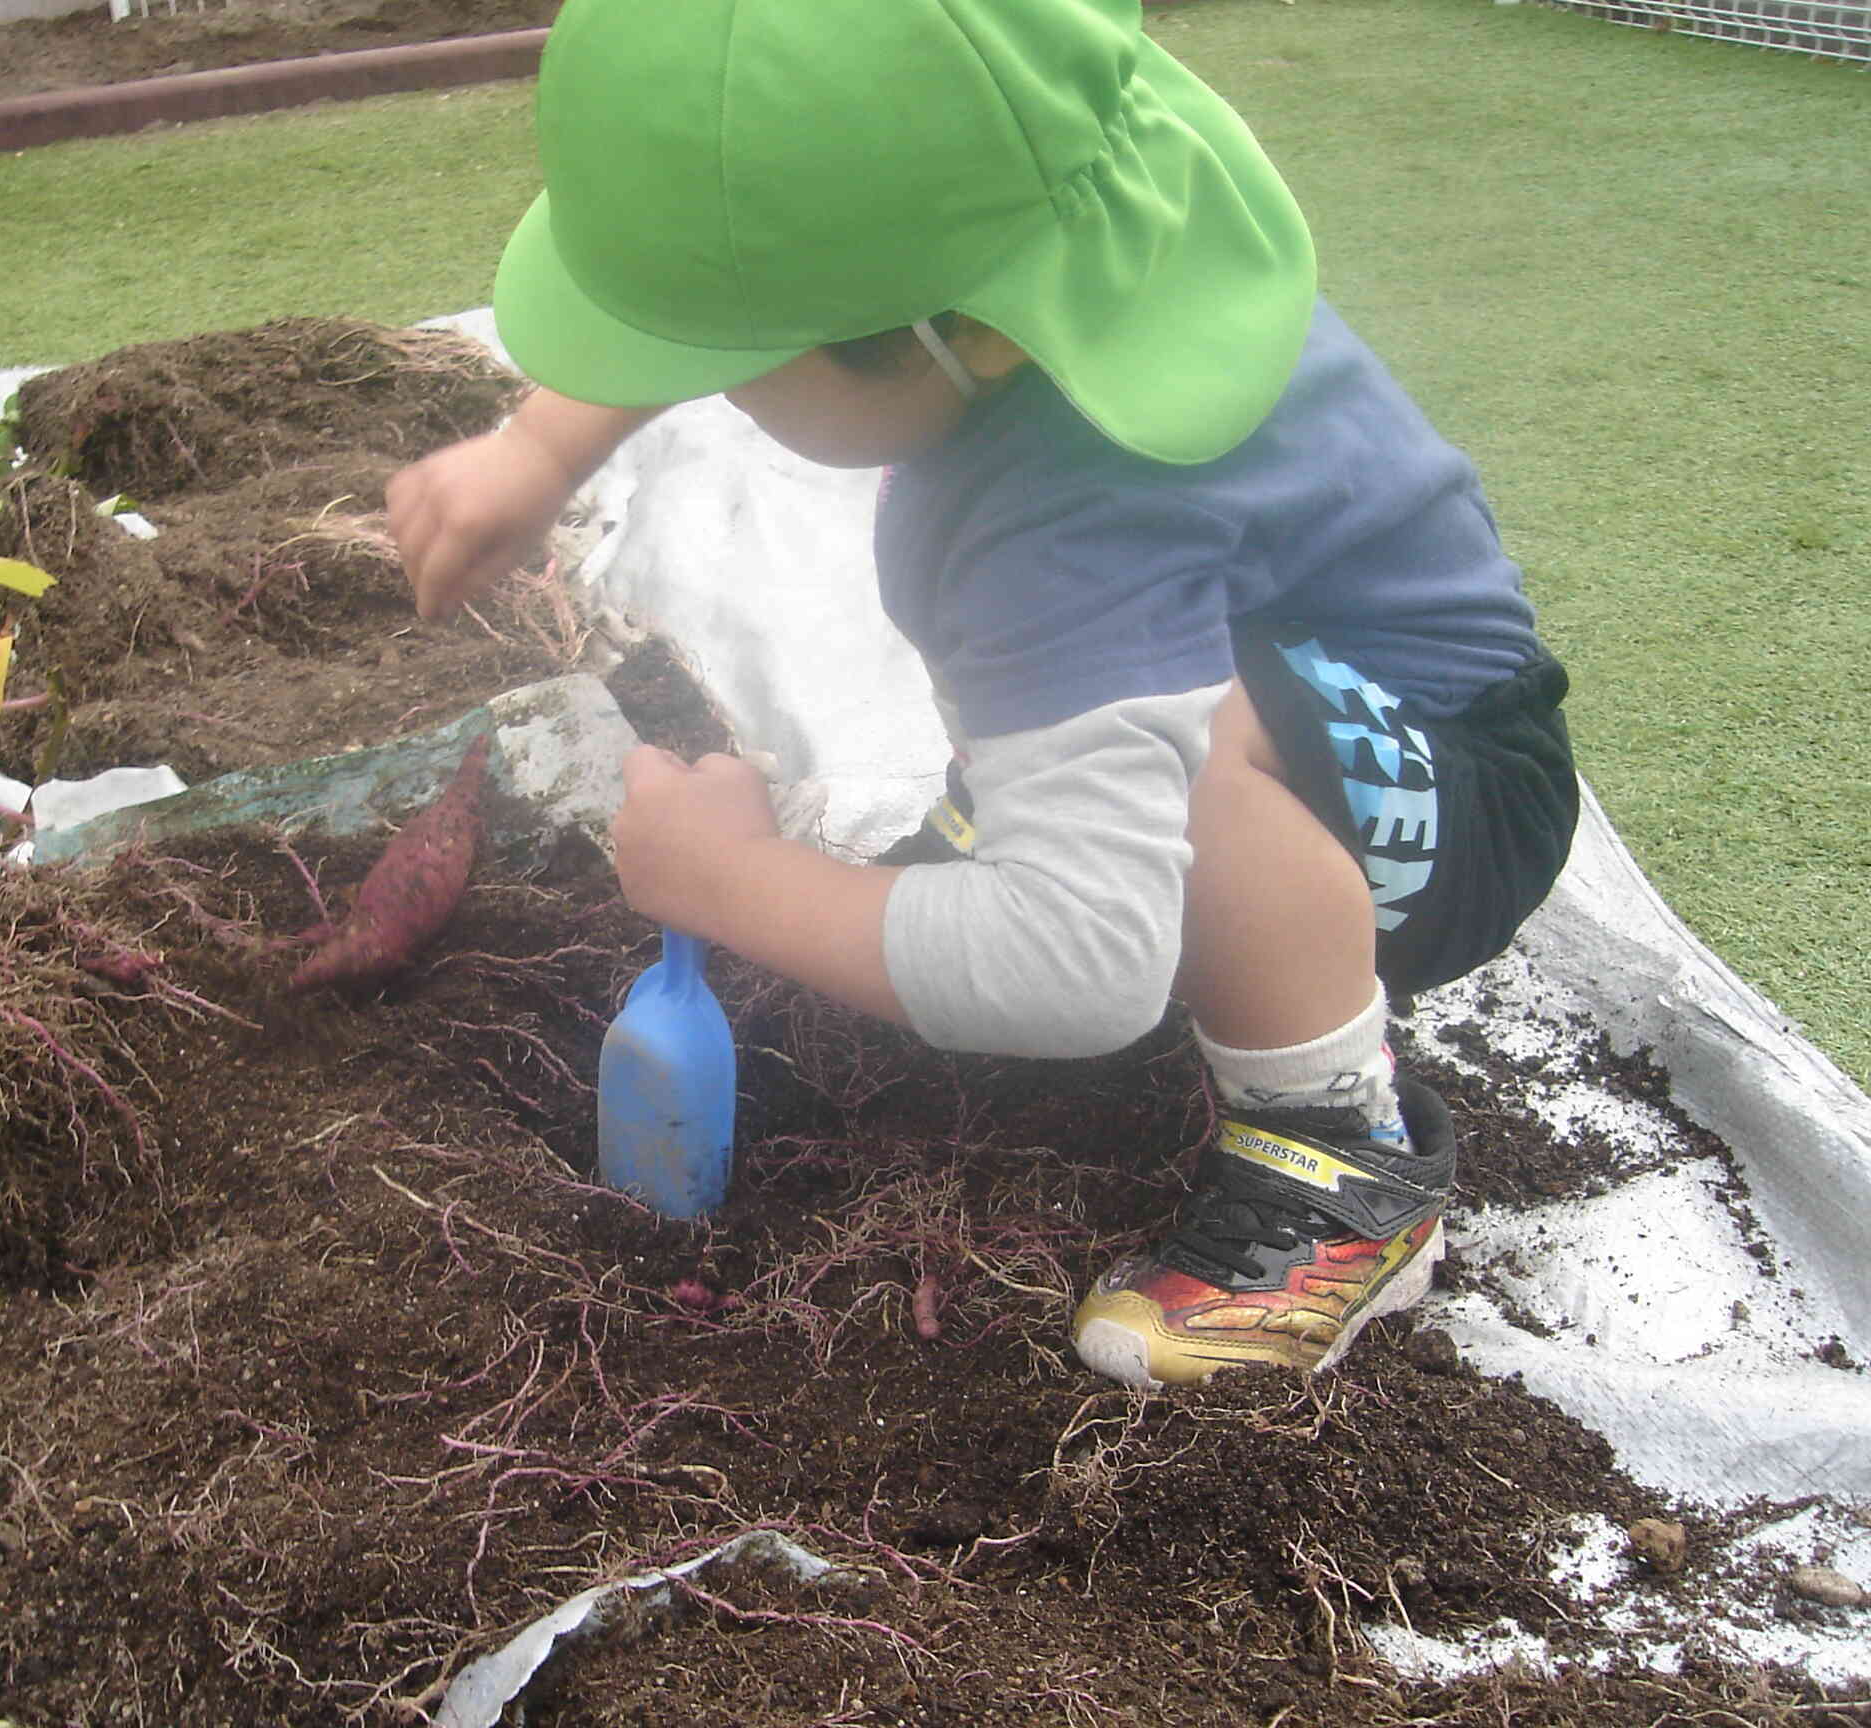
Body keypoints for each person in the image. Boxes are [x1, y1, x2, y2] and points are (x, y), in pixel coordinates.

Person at [386, 0, 1579, 1388]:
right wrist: (540, 446)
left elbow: (1081, 974)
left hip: (1439, 803)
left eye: (732, 363)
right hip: (1309, 672)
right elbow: (789, 238)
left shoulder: (1064, 529)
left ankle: (1340, 1164)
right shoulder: (1046, 180)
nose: (700, 385)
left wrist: (731, 882)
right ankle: (1065, 838)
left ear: (959, 336)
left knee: (1154, 773)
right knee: (1093, 718)